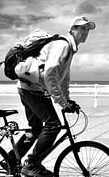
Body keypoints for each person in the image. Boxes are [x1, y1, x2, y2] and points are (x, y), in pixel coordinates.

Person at [14, 16, 95, 177]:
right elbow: (51, 74)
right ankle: (32, 164)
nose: (85, 32)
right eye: (81, 28)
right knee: (53, 125)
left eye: (87, 29)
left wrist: (67, 100)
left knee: (36, 128)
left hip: (28, 87)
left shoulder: (69, 49)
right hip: (32, 89)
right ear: (72, 30)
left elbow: (63, 80)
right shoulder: (63, 45)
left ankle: (10, 159)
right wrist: (62, 103)